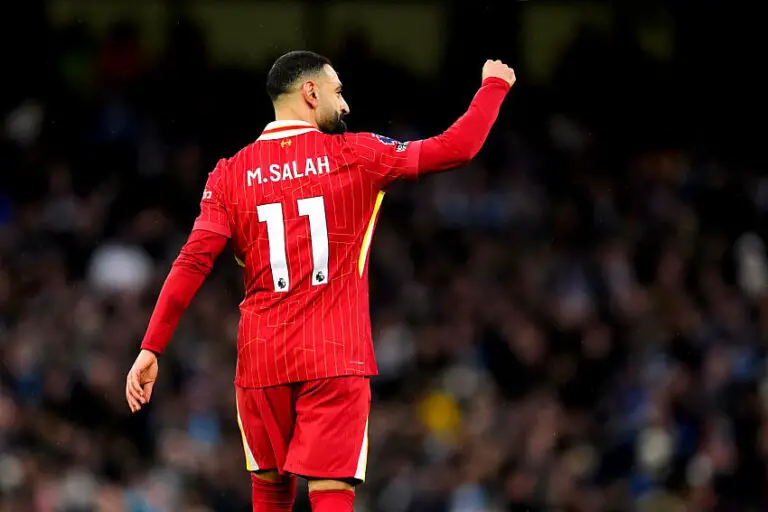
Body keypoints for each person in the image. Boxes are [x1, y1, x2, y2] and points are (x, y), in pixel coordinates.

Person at [125, 50, 515, 512]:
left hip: (262, 360)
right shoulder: (357, 153)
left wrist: (152, 347)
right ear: (310, 92)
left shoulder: (228, 175)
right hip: (335, 356)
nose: (345, 104)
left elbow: (192, 263)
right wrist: (493, 86)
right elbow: (456, 148)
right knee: (331, 494)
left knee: (271, 493)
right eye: (338, 91)